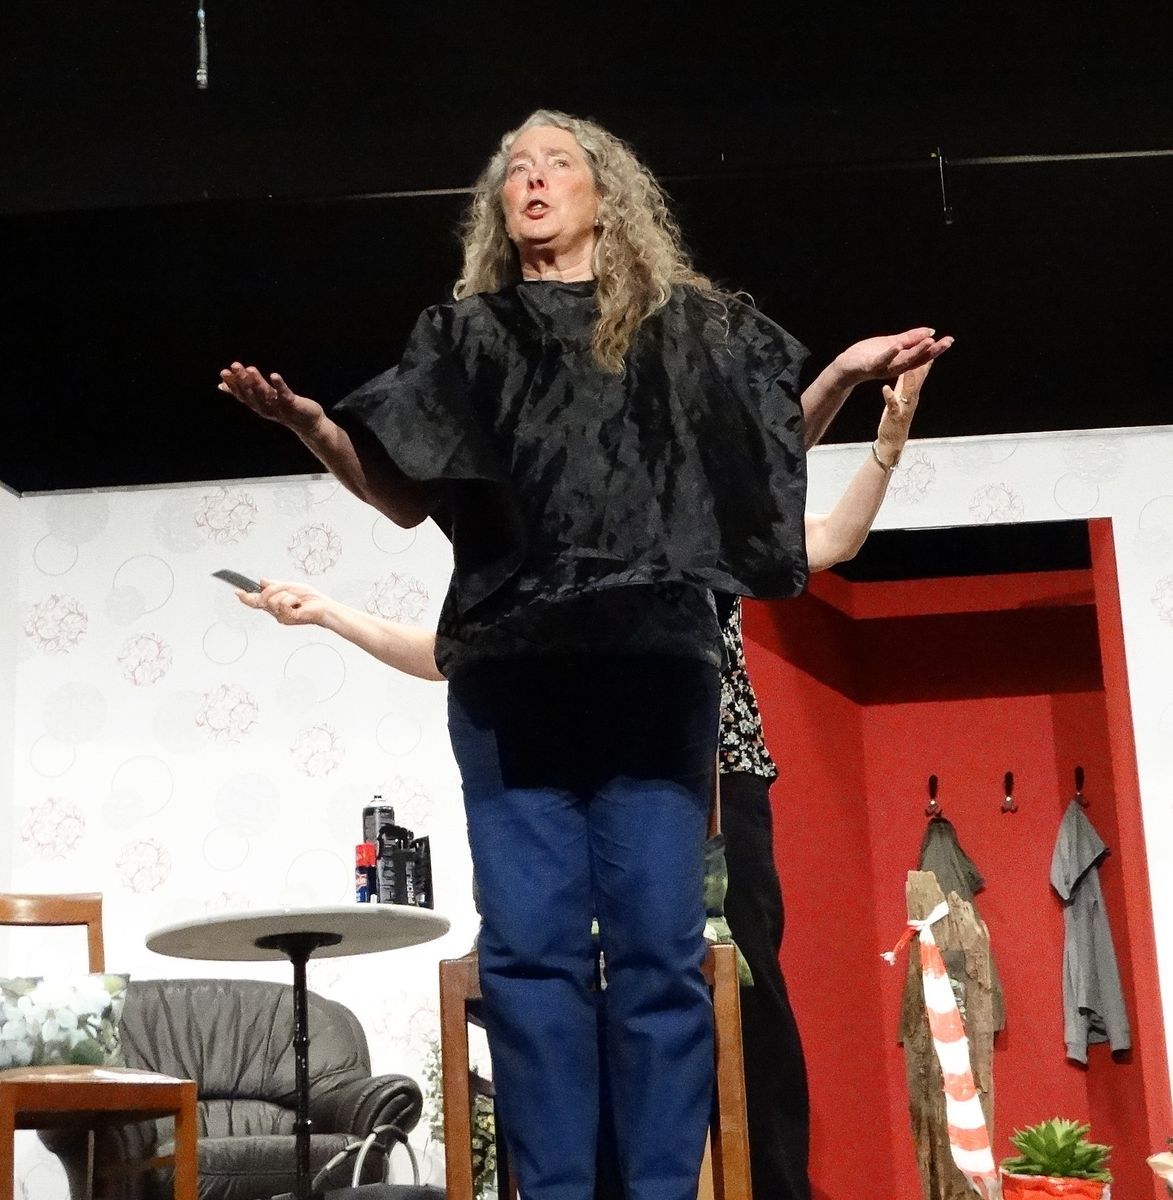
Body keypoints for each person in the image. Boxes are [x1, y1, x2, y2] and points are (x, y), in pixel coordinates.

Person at [218, 108, 949, 1200]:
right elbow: (406, 496)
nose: (532, 177)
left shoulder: (686, 328)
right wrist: (313, 429)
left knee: (659, 955)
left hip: (654, 680)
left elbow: (756, 459)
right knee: (528, 959)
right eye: (515, 167)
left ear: (606, 194)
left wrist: (841, 375)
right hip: (511, 689)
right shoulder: (466, 337)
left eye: (557, 162)